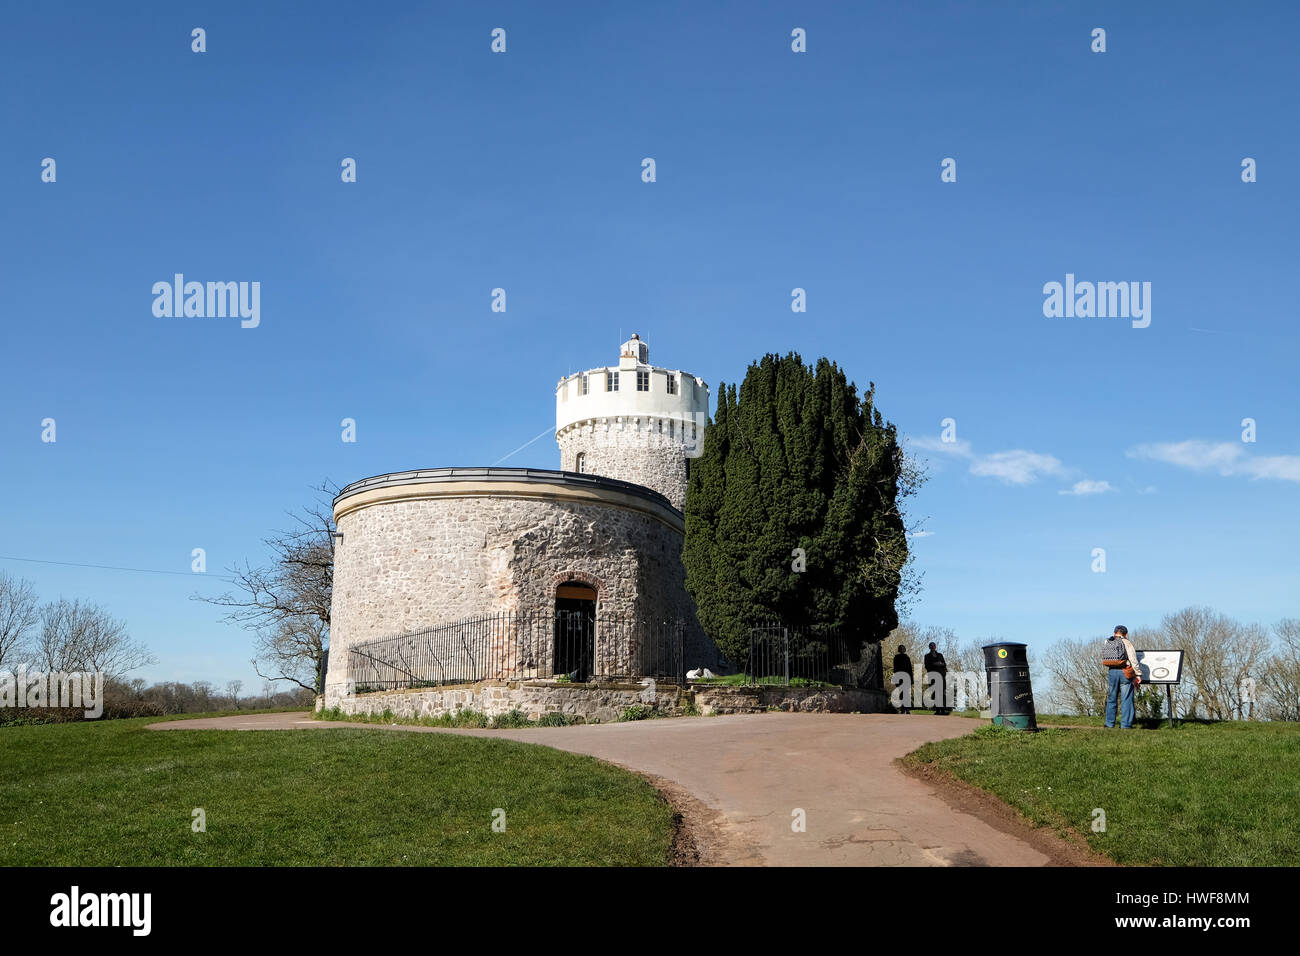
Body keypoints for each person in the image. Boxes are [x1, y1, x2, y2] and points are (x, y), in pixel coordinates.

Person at [1102, 625, 1140, 729]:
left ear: (1114, 633)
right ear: (1126, 634)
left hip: (1112, 671)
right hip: (1125, 671)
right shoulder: (1127, 642)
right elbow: (1133, 659)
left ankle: (1109, 724)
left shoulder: (1108, 641)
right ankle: (1126, 724)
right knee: (1126, 698)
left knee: (1111, 698)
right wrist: (1138, 674)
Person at [924, 641, 949, 714]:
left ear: (935, 647)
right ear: (929, 647)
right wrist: (935, 664)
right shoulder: (927, 656)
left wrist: (941, 664)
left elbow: (944, 664)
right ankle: (938, 710)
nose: (932, 647)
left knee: (942, 693)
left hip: (941, 676)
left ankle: (943, 709)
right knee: (935, 693)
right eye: (931, 646)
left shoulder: (940, 655)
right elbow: (927, 666)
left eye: (933, 645)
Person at [892, 644, 913, 714]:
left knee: (906, 693)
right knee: (901, 693)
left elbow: (910, 669)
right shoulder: (896, 658)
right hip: (899, 677)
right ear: (899, 650)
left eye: (903, 648)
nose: (902, 649)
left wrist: (911, 679)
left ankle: (907, 708)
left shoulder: (907, 658)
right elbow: (895, 669)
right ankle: (902, 708)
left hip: (907, 677)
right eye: (901, 648)